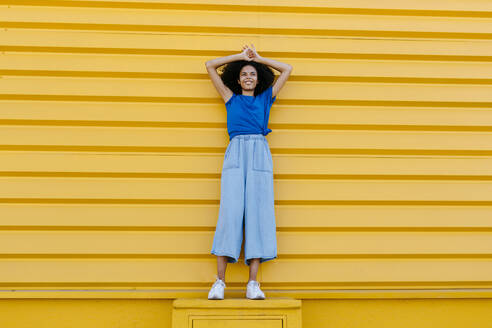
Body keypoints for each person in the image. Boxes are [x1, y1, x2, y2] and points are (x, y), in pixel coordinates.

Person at [204, 44, 292, 300]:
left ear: (258, 78)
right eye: (244, 74)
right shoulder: (230, 97)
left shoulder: (266, 98)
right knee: (230, 213)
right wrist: (241, 57)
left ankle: (253, 283)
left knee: (257, 213)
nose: (249, 77)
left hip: (259, 153)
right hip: (236, 152)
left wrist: (260, 59)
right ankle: (220, 282)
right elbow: (210, 65)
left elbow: (287, 69)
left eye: (253, 74)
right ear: (238, 78)